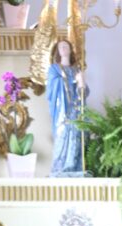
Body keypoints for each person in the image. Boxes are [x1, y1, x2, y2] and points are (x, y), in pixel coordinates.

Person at [46, 40, 86, 177]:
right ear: (57, 51)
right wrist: (73, 80)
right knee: (63, 134)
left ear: (70, 49)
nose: (63, 48)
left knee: (75, 134)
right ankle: (60, 167)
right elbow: (51, 89)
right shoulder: (54, 69)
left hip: (75, 109)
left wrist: (81, 84)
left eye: (66, 46)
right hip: (62, 110)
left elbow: (83, 93)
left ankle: (74, 166)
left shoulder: (77, 70)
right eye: (60, 47)